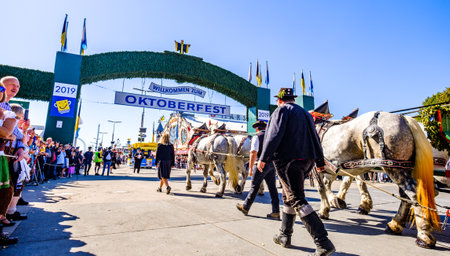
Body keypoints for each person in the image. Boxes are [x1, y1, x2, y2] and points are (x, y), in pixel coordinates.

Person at [257, 88, 335, 256]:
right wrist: (320, 162)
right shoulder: (306, 114)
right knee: (287, 196)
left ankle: (323, 242)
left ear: (280, 100)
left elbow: (273, 135)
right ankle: (284, 234)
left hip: (288, 161)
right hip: (307, 161)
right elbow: (316, 138)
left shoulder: (281, 111)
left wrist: (263, 158)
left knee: (297, 198)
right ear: (292, 99)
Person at [236, 120, 280, 219]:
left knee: (254, 187)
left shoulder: (257, 136)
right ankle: (276, 211)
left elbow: (253, 152)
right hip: (271, 165)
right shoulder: (272, 136)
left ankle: (245, 207)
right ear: (265, 128)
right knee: (273, 189)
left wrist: (251, 167)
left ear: (256, 128)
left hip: (259, 164)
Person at [0, 80, 19, 245]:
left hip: (1, 154)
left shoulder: (7, 112)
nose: (16, 88)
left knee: (5, 191)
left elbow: (8, 132)